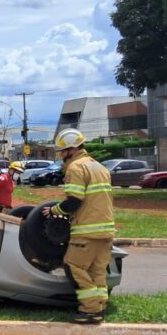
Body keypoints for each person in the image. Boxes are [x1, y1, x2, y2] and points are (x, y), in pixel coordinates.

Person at [42, 129, 115, 324]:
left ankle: (90, 310)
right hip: (106, 229)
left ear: (72, 149)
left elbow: (74, 201)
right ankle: (100, 305)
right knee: (97, 270)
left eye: (62, 151)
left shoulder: (76, 168)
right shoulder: (99, 167)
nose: (61, 156)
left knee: (74, 266)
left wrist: (54, 211)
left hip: (87, 230)